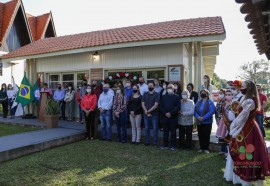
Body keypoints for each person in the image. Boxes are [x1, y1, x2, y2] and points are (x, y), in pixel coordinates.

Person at [224, 80, 270, 185]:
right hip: (245, 127)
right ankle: (236, 176)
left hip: (247, 129)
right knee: (240, 150)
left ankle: (246, 177)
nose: (241, 88)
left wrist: (233, 126)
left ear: (248, 88)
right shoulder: (246, 99)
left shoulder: (250, 101)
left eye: (243, 86)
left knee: (246, 151)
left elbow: (242, 117)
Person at [194, 89, 215, 153]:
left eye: (204, 93)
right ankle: (201, 148)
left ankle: (206, 148)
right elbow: (194, 110)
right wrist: (198, 117)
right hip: (199, 121)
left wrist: (204, 118)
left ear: (207, 94)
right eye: (201, 93)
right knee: (200, 135)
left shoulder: (210, 102)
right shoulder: (198, 101)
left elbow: (212, 111)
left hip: (207, 122)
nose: (202, 94)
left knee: (206, 135)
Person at [159, 84, 180, 151]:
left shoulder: (177, 97)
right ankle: (165, 145)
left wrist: (170, 113)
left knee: (173, 132)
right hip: (165, 117)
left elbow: (178, 107)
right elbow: (160, 106)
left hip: (173, 117)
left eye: (171, 88)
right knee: (165, 132)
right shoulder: (163, 96)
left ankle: (173, 145)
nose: (169, 89)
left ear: (174, 89)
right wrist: (165, 113)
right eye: (168, 88)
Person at [142, 81, 160, 146]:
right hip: (146, 115)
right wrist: (146, 112)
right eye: (149, 86)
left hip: (154, 115)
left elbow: (156, 105)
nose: (150, 87)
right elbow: (143, 103)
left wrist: (148, 111)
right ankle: (147, 142)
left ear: (154, 86)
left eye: (151, 85)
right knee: (147, 129)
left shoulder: (157, 94)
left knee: (155, 129)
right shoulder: (145, 94)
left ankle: (155, 143)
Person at [216, 89, 233, 156]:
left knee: (228, 136)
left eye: (229, 95)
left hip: (229, 122)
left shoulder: (233, 103)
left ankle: (228, 152)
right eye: (226, 95)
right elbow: (220, 112)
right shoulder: (224, 103)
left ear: (232, 95)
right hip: (223, 121)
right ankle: (223, 150)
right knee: (222, 136)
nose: (227, 96)